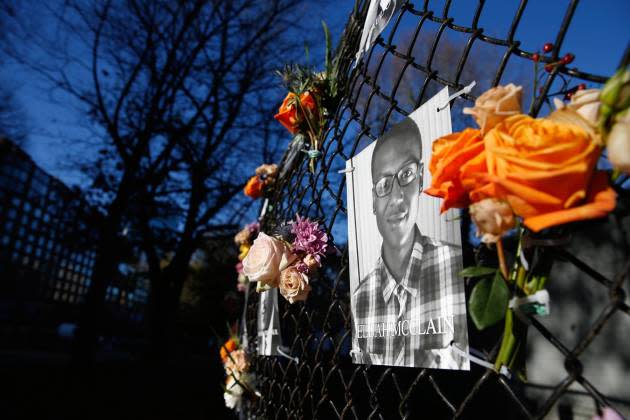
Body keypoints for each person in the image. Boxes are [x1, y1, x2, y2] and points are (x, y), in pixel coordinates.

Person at [353, 117, 468, 368]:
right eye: (383, 184)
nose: (396, 197)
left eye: (406, 174)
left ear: (421, 179)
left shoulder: (458, 267)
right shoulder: (360, 297)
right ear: (373, 199)